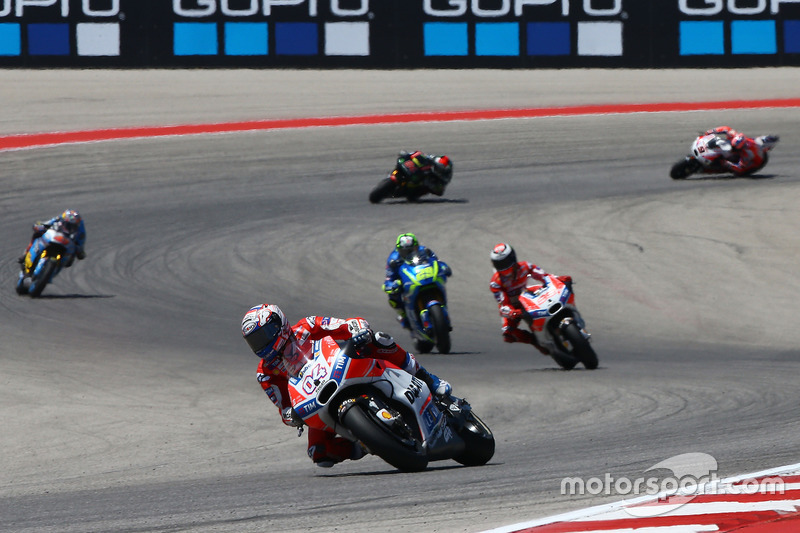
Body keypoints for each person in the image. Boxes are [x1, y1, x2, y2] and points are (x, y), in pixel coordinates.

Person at [241, 304, 452, 468]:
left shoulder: (307, 326)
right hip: (316, 396)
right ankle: (363, 444)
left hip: (343, 365)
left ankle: (429, 379)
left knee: (379, 339)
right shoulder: (265, 372)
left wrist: (358, 328)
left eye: (263, 336)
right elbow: (283, 406)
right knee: (318, 453)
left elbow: (343, 325)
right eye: (255, 341)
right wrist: (290, 416)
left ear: (279, 324)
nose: (261, 345)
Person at [489, 243, 572, 355]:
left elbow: (544, 276)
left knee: (560, 293)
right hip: (513, 306)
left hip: (530, 296)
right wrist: (511, 312)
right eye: (500, 264)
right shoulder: (496, 283)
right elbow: (503, 304)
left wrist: (557, 279)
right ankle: (536, 341)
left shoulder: (525, 266)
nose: (504, 266)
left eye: (505, 262)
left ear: (513, 258)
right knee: (508, 334)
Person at [382, 233, 451, 330]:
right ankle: (403, 316)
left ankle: (442, 312)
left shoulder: (425, 250)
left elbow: (436, 261)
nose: (408, 253)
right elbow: (389, 277)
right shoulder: (393, 259)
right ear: (399, 250)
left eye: (411, 250)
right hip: (405, 282)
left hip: (422, 275)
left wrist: (444, 267)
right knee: (393, 299)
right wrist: (391, 285)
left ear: (416, 247)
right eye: (405, 251)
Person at [18, 209, 86, 268]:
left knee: (69, 262)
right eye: (67, 224)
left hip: (66, 244)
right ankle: (26, 254)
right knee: (37, 234)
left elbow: (81, 242)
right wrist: (40, 226)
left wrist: (80, 252)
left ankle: (54, 269)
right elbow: (49, 223)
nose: (69, 227)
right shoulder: (61, 218)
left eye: (72, 226)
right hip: (55, 236)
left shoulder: (81, 229)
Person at [702, 126, 771, 176]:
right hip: (751, 146)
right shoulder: (734, 135)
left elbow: (740, 167)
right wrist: (709, 132)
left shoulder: (747, 154)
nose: (733, 148)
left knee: (737, 172)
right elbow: (725, 128)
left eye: (735, 148)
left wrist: (726, 163)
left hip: (755, 163)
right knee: (722, 144)